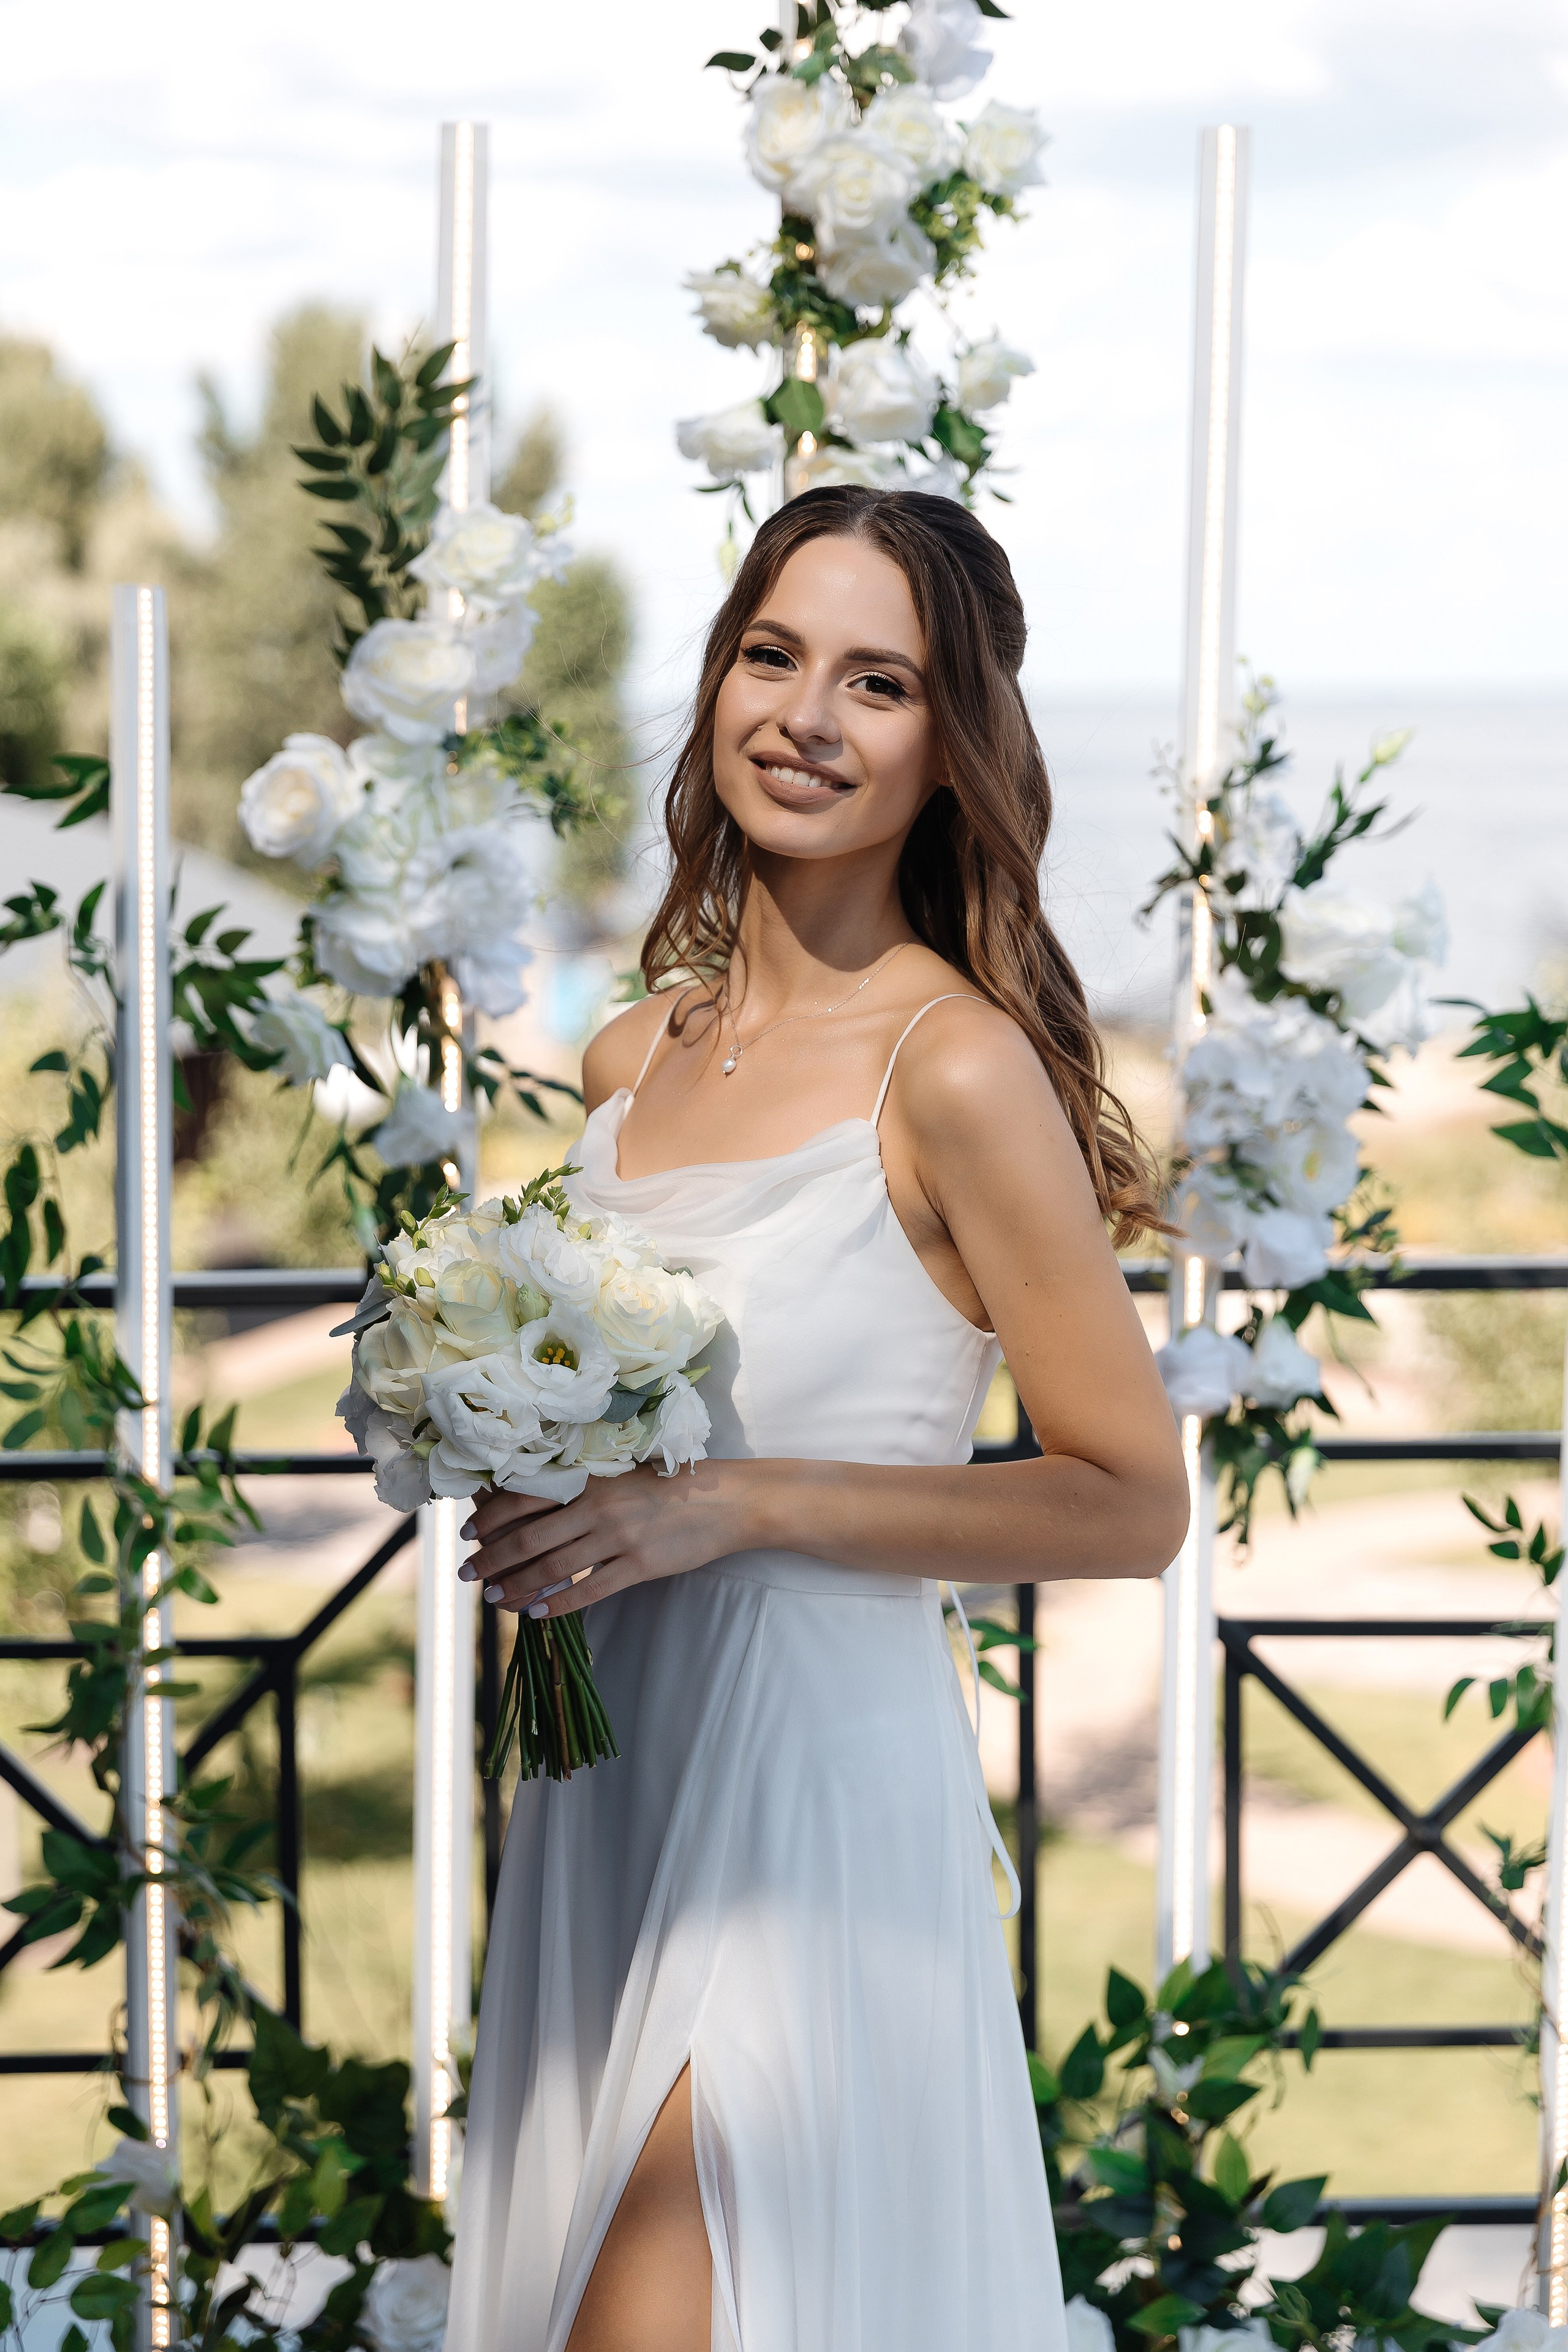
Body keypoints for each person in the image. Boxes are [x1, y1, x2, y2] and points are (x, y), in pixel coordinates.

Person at [446, 486, 1189, 2352]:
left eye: (881, 682)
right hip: (612, 1776)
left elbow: (1129, 1500)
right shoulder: (634, 1061)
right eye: (773, 656)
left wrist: (737, 1505)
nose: (807, 716)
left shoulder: (956, 1068)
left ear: (953, 755)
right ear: (715, 688)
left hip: (810, 1810)